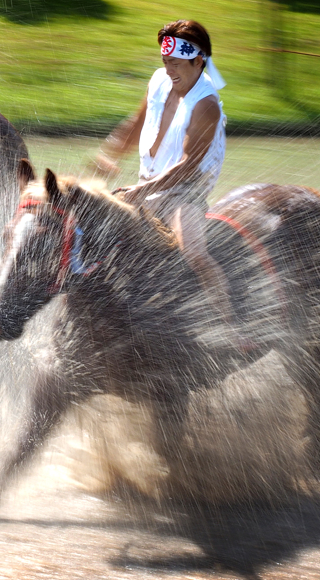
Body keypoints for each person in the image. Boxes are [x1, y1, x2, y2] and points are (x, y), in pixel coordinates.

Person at [92, 19, 242, 346]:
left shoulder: (207, 104)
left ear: (198, 61)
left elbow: (189, 166)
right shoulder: (159, 81)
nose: (169, 69)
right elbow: (137, 123)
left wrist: (140, 191)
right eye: (165, 61)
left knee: (193, 252)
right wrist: (110, 153)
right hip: (146, 184)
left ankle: (231, 325)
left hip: (184, 191)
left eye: (176, 64)